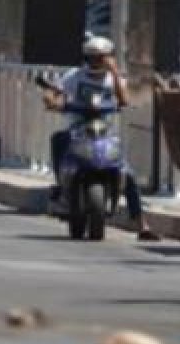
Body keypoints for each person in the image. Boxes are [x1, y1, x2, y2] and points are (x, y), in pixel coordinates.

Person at [42, 35, 160, 242]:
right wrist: (53, 101)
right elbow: (53, 93)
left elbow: (124, 99)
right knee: (59, 139)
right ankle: (61, 189)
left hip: (105, 131)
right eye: (94, 58)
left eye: (103, 58)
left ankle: (142, 224)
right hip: (78, 128)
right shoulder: (75, 76)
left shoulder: (113, 78)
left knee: (127, 173)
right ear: (86, 58)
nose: (98, 62)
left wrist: (114, 72)